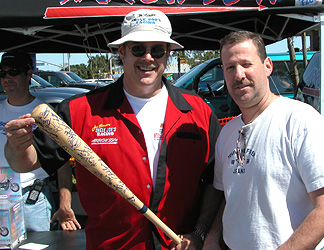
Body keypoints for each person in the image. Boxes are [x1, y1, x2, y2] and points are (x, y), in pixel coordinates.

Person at [4, 9, 223, 250]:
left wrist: (200, 233)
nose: (148, 57)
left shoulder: (198, 111)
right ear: (122, 52)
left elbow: (216, 182)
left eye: (157, 50)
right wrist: (16, 146)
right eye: (138, 49)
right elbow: (24, 164)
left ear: (168, 54)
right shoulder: (80, 110)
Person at [203, 30, 324, 250]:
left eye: (246, 64)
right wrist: (212, 236)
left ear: (267, 66)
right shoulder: (227, 133)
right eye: (230, 67)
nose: (239, 75)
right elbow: (230, 197)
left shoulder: (301, 121)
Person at [0, 52, 55, 231]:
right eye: (2, 73)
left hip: (33, 197)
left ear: (29, 74)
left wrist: (66, 203)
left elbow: (60, 159)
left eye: (14, 72)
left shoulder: (46, 112)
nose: (7, 77)